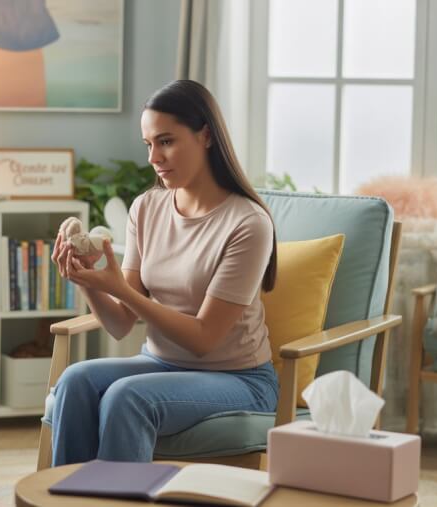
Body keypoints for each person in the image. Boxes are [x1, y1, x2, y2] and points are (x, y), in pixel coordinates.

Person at [49, 79, 279, 465]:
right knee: (75, 381)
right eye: (149, 144)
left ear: (205, 135)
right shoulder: (147, 207)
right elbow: (121, 324)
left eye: (167, 141)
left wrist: (121, 289)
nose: (154, 156)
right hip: (159, 362)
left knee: (128, 397)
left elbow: (205, 339)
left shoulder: (248, 224)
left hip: (238, 380)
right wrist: (87, 279)